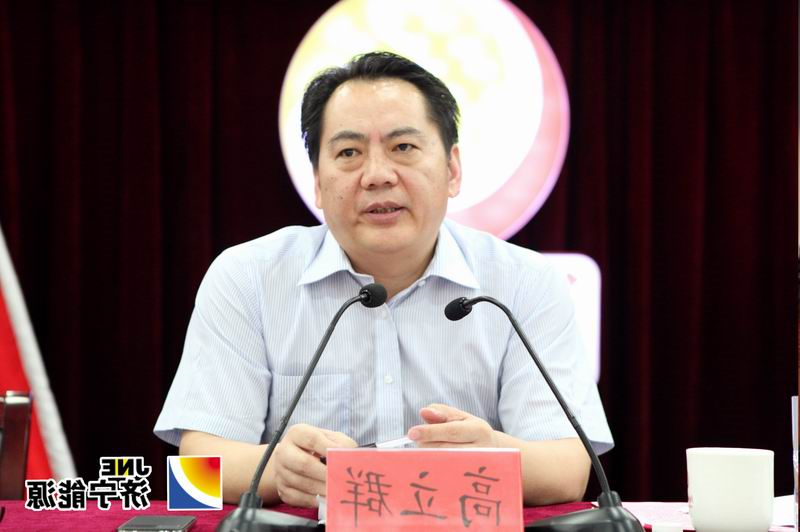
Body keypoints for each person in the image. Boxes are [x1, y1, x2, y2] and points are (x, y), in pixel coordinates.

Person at [154, 51, 613, 508]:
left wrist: (493, 455)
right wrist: (276, 470)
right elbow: (195, 473)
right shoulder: (248, 277)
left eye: (403, 147)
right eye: (349, 153)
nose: (377, 175)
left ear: (452, 170)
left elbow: (570, 472)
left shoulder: (525, 283)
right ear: (317, 182)